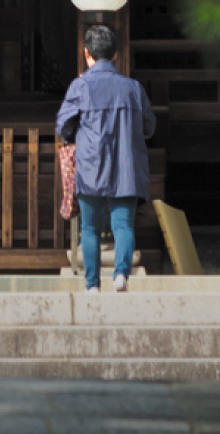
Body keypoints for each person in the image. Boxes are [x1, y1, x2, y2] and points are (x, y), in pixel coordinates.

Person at [56, 23, 154, 292]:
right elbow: (149, 127)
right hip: (127, 167)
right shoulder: (134, 88)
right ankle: (121, 276)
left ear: (87, 53)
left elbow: (63, 127)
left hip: (91, 166)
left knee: (89, 229)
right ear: (115, 55)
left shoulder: (81, 86)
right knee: (123, 225)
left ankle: (92, 285)